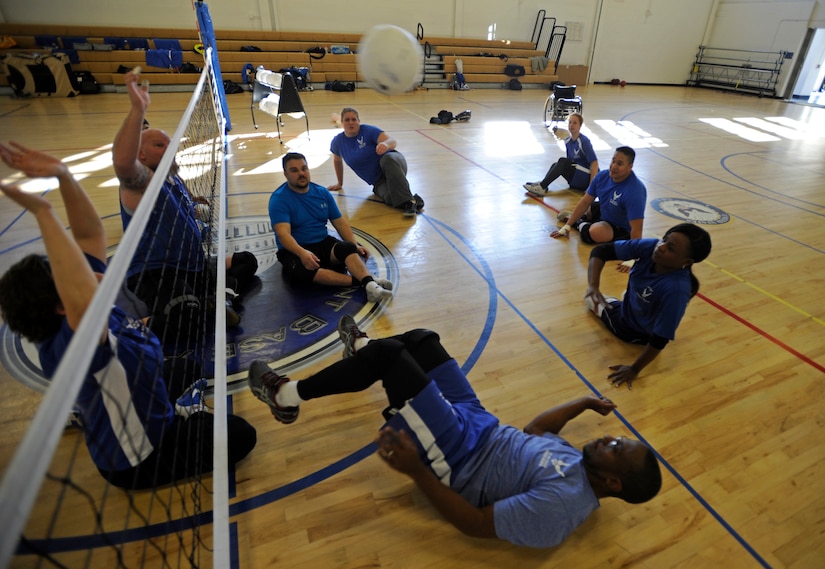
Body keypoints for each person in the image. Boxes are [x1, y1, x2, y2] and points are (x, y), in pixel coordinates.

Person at [246, 316, 662, 548]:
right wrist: (584, 403)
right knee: (423, 340)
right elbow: (535, 429)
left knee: (391, 357)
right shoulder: (578, 464)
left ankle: (287, 397)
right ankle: (363, 353)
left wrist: (417, 471)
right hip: (477, 420)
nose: (608, 439)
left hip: (457, 453)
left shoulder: (562, 508)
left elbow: (477, 524)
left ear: (613, 481)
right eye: (615, 439)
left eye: (615, 447)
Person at [0, 142, 256, 489]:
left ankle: (96, 407)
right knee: (242, 434)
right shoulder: (74, 341)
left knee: (189, 367)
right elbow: (78, 289)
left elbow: (90, 235)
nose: (93, 272)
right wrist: (44, 212)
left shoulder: (84, 312)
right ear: (64, 306)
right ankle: (108, 412)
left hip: (139, 388)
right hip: (140, 457)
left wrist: (63, 176)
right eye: (75, 277)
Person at [112, 68, 258, 344]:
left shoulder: (172, 177)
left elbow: (181, 201)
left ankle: (216, 299)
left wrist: (193, 207)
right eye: (159, 145)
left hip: (193, 265)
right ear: (141, 155)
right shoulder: (141, 183)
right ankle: (126, 329)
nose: (170, 148)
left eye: (171, 144)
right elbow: (122, 163)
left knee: (245, 261)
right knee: (183, 316)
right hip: (156, 273)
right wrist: (137, 110)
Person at [585, 223, 712, 389]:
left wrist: (634, 369)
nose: (661, 247)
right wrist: (593, 285)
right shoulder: (652, 247)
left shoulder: (676, 290)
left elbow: (660, 339)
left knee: (589, 301)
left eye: (671, 248)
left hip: (631, 329)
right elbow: (601, 251)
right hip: (638, 305)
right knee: (624, 294)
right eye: (664, 240)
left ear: (686, 261)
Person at [269, 152, 394, 303]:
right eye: (294, 170)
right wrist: (302, 253)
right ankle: (368, 282)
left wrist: (355, 245)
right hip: (294, 249)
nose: (301, 173)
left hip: (322, 242)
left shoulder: (322, 193)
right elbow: (283, 235)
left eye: (304, 168)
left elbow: (340, 222)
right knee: (303, 272)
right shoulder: (279, 199)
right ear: (286, 174)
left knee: (348, 248)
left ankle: (368, 284)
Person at [328, 107, 424, 217]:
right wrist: (340, 183)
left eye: (354, 119)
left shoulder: (368, 130)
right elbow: (337, 161)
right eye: (347, 120)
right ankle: (415, 200)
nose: (351, 122)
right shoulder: (337, 142)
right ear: (342, 122)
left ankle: (409, 203)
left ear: (358, 121)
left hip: (394, 165)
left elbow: (392, 141)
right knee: (390, 199)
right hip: (378, 181)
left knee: (387, 159)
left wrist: (386, 144)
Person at [551, 146, 646, 246]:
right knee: (590, 207)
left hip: (619, 227)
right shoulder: (602, 176)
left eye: (619, 164)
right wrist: (567, 226)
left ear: (630, 167)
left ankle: (578, 223)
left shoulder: (635, 191)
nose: (613, 166)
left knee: (593, 233)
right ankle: (576, 218)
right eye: (613, 161)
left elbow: (637, 227)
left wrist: (634, 257)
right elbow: (585, 201)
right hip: (605, 211)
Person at [523, 112, 599, 196]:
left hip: (586, 177)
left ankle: (541, 186)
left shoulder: (584, 141)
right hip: (577, 176)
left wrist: (591, 187)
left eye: (575, 123)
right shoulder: (567, 141)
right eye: (570, 122)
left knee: (563, 162)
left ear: (580, 126)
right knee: (556, 165)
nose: (571, 125)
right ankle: (544, 185)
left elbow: (594, 164)